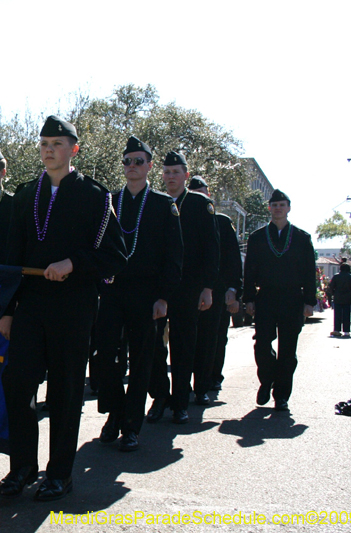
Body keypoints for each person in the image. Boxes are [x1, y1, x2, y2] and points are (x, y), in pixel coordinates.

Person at [0, 116, 127, 501]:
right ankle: (21, 467)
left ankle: (60, 474)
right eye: (44, 143)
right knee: (17, 383)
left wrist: (73, 263)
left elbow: (114, 256)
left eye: (56, 143)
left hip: (74, 308)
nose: (49, 149)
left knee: (66, 392)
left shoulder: (95, 196)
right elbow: (11, 258)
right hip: (30, 307)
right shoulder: (23, 195)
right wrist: (6, 310)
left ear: (74, 149)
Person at [96, 136, 183, 452]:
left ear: (149, 166)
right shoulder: (110, 201)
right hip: (112, 290)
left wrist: (163, 297)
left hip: (147, 294)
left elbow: (174, 256)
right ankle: (115, 414)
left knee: (142, 359)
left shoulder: (163, 204)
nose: (132, 166)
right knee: (104, 355)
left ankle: (131, 426)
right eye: (127, 161)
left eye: (138, 161)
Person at [147, 151, 219, 424]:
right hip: (159, 286)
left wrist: (208, 288)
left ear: (186, 175)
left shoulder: (201, 204)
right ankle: (159, 397)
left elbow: (212, 250)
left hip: (189, 287)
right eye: (166, 172)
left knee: (183, 345)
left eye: (176, 172)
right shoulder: (156, 203)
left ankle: (180, 402)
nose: (170, 177)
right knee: (154, 344)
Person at [244, 189, 316, 412]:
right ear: (269, 208)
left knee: (288, 350)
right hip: (266, 297)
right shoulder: (257, 238)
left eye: (282, 205)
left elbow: (309, 272)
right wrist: (248, 298)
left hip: (293, 298)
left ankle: (281, 395)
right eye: (274, 205)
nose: (278, 208)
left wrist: (309, 302)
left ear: (289, 208)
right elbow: (249, 271)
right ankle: (267, 381)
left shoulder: (302, 238)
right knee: (262, 345)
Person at [187, 177, 242, 395]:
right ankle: (191, 379)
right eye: (195, 193)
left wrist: (233, 290)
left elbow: (232, 259)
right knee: (190, 338)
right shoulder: (181, 217)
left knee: (216, 337)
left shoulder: (221, 221)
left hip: (217, 289)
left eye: (202, 193)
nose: (199, 197)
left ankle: (212, 377)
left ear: (209, 196)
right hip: (190, 289)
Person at [327, 262, 351, 338]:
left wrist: (334, 293)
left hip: (337, 297)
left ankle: (337, 330)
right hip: (347, 298)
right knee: (347, 314)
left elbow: (331, 287)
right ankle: (346, 331)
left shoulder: (336, 276)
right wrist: (350, 294)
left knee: (337, 314)